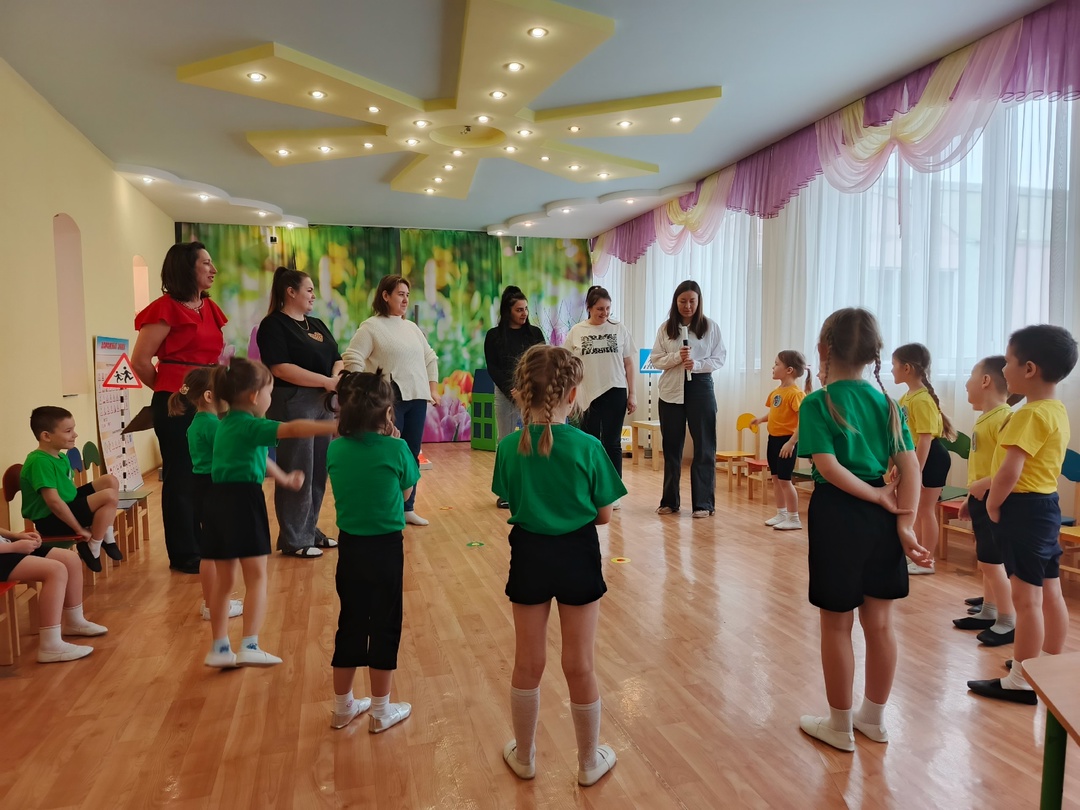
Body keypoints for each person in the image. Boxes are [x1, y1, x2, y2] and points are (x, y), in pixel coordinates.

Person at [492, 345, 626, 786]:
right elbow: (603, 516)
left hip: (529, 554)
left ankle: (525, 756)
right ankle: (588, 762)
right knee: (580, 664)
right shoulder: (589, 447)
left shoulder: (508, 448)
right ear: (572, 394)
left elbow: (510, 497)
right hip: (577, 555)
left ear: (519, 393)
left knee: (527, 662)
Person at [797, 307, 928, 753]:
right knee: (881, 624)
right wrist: (905, 523)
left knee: (837, 626)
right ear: (875, 354)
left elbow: (828, 467)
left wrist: (874, 496)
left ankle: (840, 726)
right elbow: (911, 468)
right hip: (884, 516)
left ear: (823, 349)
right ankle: (873, 719)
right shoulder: (888, 403)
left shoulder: (818, 402)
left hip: (839, 514)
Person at [202, 358, 339, 669]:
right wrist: (333, 425)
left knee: (225, 581)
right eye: (269, 392)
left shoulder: (226, 425)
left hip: (217, 502)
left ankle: (219, 647)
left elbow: (257, 457)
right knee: (256, 577)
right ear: (254, 396)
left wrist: (285, 478)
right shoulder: (251, 425)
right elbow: (293, 428)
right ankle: (249, 644)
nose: (270, 398)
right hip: (243, 502)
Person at [967, 325, 1077, 704]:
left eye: (1009, 361)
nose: (1004, 369)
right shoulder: (1056, 410)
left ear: (1029, 369)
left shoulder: (1027, 415)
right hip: (1046, 507)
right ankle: (1045, 664)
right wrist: (987, 484)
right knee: (1050, 590)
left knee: (1026, 599)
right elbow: (1028, 467)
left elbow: (1010, 472)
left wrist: (993, 503)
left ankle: (1021, 680)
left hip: (1022, 510)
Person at [326, 370, 420, 732]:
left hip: (350, 547)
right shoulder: (397, 448)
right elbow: (407, 493)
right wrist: (395, 442)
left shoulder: (336, 448)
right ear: (387, 412)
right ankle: (381, 710)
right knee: (384, 623)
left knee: (350, 621)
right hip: (386, 549)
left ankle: (342, 707)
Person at [132, 241, 227, 575]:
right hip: (178, 401)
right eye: (206, 263)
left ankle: (206, 543)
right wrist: (172, 390)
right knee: (182, 476)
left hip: (209, 400)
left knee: (208, 472)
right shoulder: (164, 308)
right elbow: (140, 362)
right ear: (187, 268)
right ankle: (185, 552)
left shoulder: (209, 307)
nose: (213, 270)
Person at [257, 266, 343, 558]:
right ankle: (294, 538)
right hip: (293, 401)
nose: (313, 296)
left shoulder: (316, 324)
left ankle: (309, 529)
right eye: (309, 290)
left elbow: (337, 357)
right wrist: (325, 381)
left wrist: (335, 377)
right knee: (298, 466)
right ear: (290, 292)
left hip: (323, 401)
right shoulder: (273, 325)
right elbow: (281, 368)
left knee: (318, 469)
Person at [343, 275, 438, 527]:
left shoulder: (412, 328)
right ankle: (385, 506)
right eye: (400, 294)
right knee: (386, 452)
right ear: (385, 296)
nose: (405, 300)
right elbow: (352, 357)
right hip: (389, 400)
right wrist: (366, 389)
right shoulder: (371, 327)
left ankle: (407, 508)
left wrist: (433, 389)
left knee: (410, 453)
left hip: (417, 398)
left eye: (407, 295)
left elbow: (430, 358)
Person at [950, 357, 1017, 645]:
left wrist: (985, 487)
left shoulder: (1004, 418)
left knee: (993, 562)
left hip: (995, 499)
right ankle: (989, 611)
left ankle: (1008, 620)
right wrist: (969, 497)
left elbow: (1010, 467)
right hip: (981, 497)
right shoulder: (986, 417)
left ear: (986, 381)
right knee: (986, 560)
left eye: (971, 376)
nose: (966, 383)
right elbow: (982, 466)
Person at [169, 368, 243, 623]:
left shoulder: (199, 423)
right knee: (216, 552)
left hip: (204, 487)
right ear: (210, 396)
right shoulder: (211, 425)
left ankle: (213, 602)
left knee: (213, 549)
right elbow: (232, 452)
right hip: (215, 488)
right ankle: (214, 605)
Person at [648, 280, 726, 518]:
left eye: (692, 301)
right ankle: (670, 501)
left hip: (700, 387)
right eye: (683, 301)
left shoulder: (710, 327)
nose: (688, 306)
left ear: (699, 301)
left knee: (704, 446)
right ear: (676, 302)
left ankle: (703, 503)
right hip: (671, 390)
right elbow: (656, 359)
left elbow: (719, 358)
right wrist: (677, 357)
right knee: (672, 448)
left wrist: (697, 364)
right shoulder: (666, 328)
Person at [20, 407, 122, 574]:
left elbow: (69, 490)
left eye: (73, 429)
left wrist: (86, 504)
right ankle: (94, 546)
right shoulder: (39, 462)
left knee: (110, 481)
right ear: (46, 436)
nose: (75, 435)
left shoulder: (61, 456)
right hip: (51, 521)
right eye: (68, 431)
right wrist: (79, 529)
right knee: (109, 496)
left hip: (67, 506)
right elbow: (54, 503)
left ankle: (106, 535)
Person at [566, 286, 636, 499]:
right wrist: (569, 395)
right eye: (599, 309)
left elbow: (628, 364)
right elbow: (568, 365)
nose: (604, 313)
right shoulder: (577, 331)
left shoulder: (619, 329)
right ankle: (590, 489)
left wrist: (632, 393)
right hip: (587, 393)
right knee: (590, 442)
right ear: (589, 307)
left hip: (615, 390)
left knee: (613, 443)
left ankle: (614, 493)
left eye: (607, 308)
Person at [892, 343, 956, 575]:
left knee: (926, 510)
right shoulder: (906, 397)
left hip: (931, 457)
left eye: (894, 365)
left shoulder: (922, 399)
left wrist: (916, 470)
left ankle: (927, 560)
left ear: (907, 368)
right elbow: (904, 436)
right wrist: (900, 465)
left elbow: (925, 439)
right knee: (916, 510)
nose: (892, 369)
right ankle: (917, 555)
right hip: (915, 457)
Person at [0, 527, 106, 662]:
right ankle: (50, 645)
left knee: (70, 559)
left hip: (5, 546)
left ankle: (75, 622)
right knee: (56, 570)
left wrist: (15, 536)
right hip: (5, 550)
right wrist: (13, 547)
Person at [484, 285, 545, 509]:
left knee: (537, 440)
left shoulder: (535, 334)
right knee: (506, 442)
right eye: (519, 309)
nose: (524, 313)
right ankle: (506, 492)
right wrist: (513, 390)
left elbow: (542, 362)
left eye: (526, 309)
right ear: (507, 311)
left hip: (533, 394)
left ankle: (536, 490)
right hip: (506, 393)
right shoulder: (493, 336)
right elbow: (493, 368)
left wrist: (529, 390)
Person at [752, 351, 812, 531]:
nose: (773, 367)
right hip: (773, 440)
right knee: (776, 479)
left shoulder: (796, 394)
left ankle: (794, 518)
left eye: (777, 364)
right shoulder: (776, 392)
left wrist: (791, 443)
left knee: (785, 480)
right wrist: (761, 419)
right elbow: (775, 413)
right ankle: (781, 513)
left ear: (789, 370)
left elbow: (803, 421)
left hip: (787, 442)